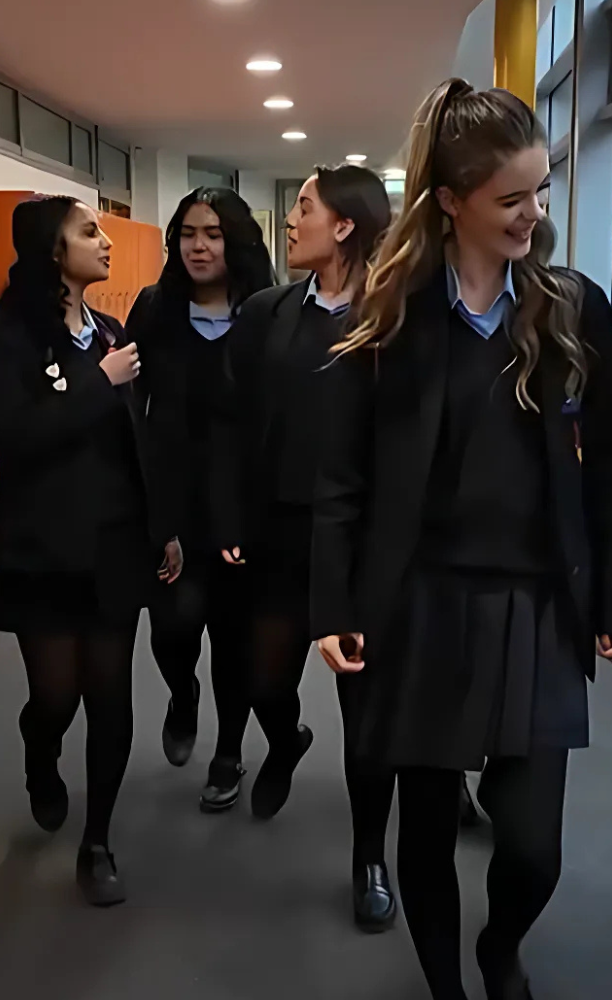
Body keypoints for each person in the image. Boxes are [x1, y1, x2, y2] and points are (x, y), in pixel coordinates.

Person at [312, 80, 612, 1000]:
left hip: (537, 604)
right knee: (423, 829)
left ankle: (502, 946)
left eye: (541, 192)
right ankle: (447, 986)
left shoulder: (574, 309)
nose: (533, 215)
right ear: (450, 202)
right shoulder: (388, 319)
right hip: (419, 603)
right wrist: (333, 605)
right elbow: (340, 481)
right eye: (511, 199)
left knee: (533, 847)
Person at [211, 165, 398, 930]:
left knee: (368, 719)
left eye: (304, 209)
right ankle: (284, 741)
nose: (290, 223)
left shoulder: (397, 317)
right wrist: (227, 516)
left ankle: (368, 859)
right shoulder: (266, 312)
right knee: (261, 683)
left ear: (345, 226)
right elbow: (231, 422)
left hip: (361, 543)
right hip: (279, 532)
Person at [0, 196, 162, 906]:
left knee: (110, 695)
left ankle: (98, 841)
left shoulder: (110, 330)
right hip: (43, 551)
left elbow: (135, 445)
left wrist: (162, 529)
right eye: (89, 231)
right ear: (52, 251)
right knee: (56, 695)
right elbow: (20, 439)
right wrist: (99, 381)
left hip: (115, 545)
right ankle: (39, 749)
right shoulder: (6, 336)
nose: (105, 241)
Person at [126, 188, 275, 811]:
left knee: (236, 637)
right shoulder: (156, 309)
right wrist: (153, 510)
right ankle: (182, 691)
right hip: (173, 501)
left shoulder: (266, 313)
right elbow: (131, 405)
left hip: (243, 505)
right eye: (187, 233)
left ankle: (229, 752)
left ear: (235, 240)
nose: (198, 246)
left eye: (212, 233)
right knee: (175, 625)